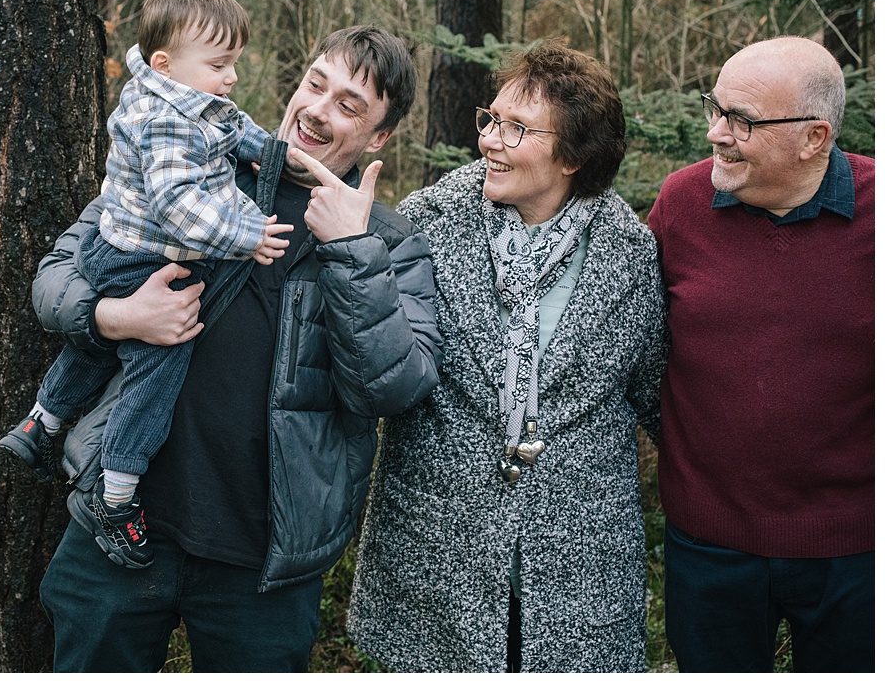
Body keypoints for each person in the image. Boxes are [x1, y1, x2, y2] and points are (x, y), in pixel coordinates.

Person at [32, 25, 443, 672]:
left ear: (378, 138)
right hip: (120, 522)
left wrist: (350, 249)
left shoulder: (386, 242)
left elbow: (394, 386)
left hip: (262, 563)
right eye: (316, 84)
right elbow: (54, 279)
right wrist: (117, 316)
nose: (317, 110)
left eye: (348, 105)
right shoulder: (191, 162)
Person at [346, 40, 666, 672]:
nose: (489, 139)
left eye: (516, 128)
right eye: (491, 119)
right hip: (438, 547)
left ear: (573, 156)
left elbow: (655, 393)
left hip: (578, 559)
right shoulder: (431, 221)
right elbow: (380, 362)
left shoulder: (628, 252)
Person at [0, 0, 291, 569]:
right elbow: (179, 207)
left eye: (234, 62)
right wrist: (248, 235)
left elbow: (233, 127)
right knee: (159, 363)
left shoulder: (179, 96)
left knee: (103, 347)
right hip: (140, 257)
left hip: (115, 249)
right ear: (166, 64)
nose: (232, 76)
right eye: (219, 65)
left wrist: (274, 154)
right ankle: (117, 494)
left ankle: (41, 422)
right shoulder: (167, 122)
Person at [648, 36, 873, 673]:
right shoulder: (681, 204)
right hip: (708, 546)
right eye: (715, 109)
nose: (716, 133)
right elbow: (633, 348)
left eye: (742, 120)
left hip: (855, 550)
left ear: (813, 137)